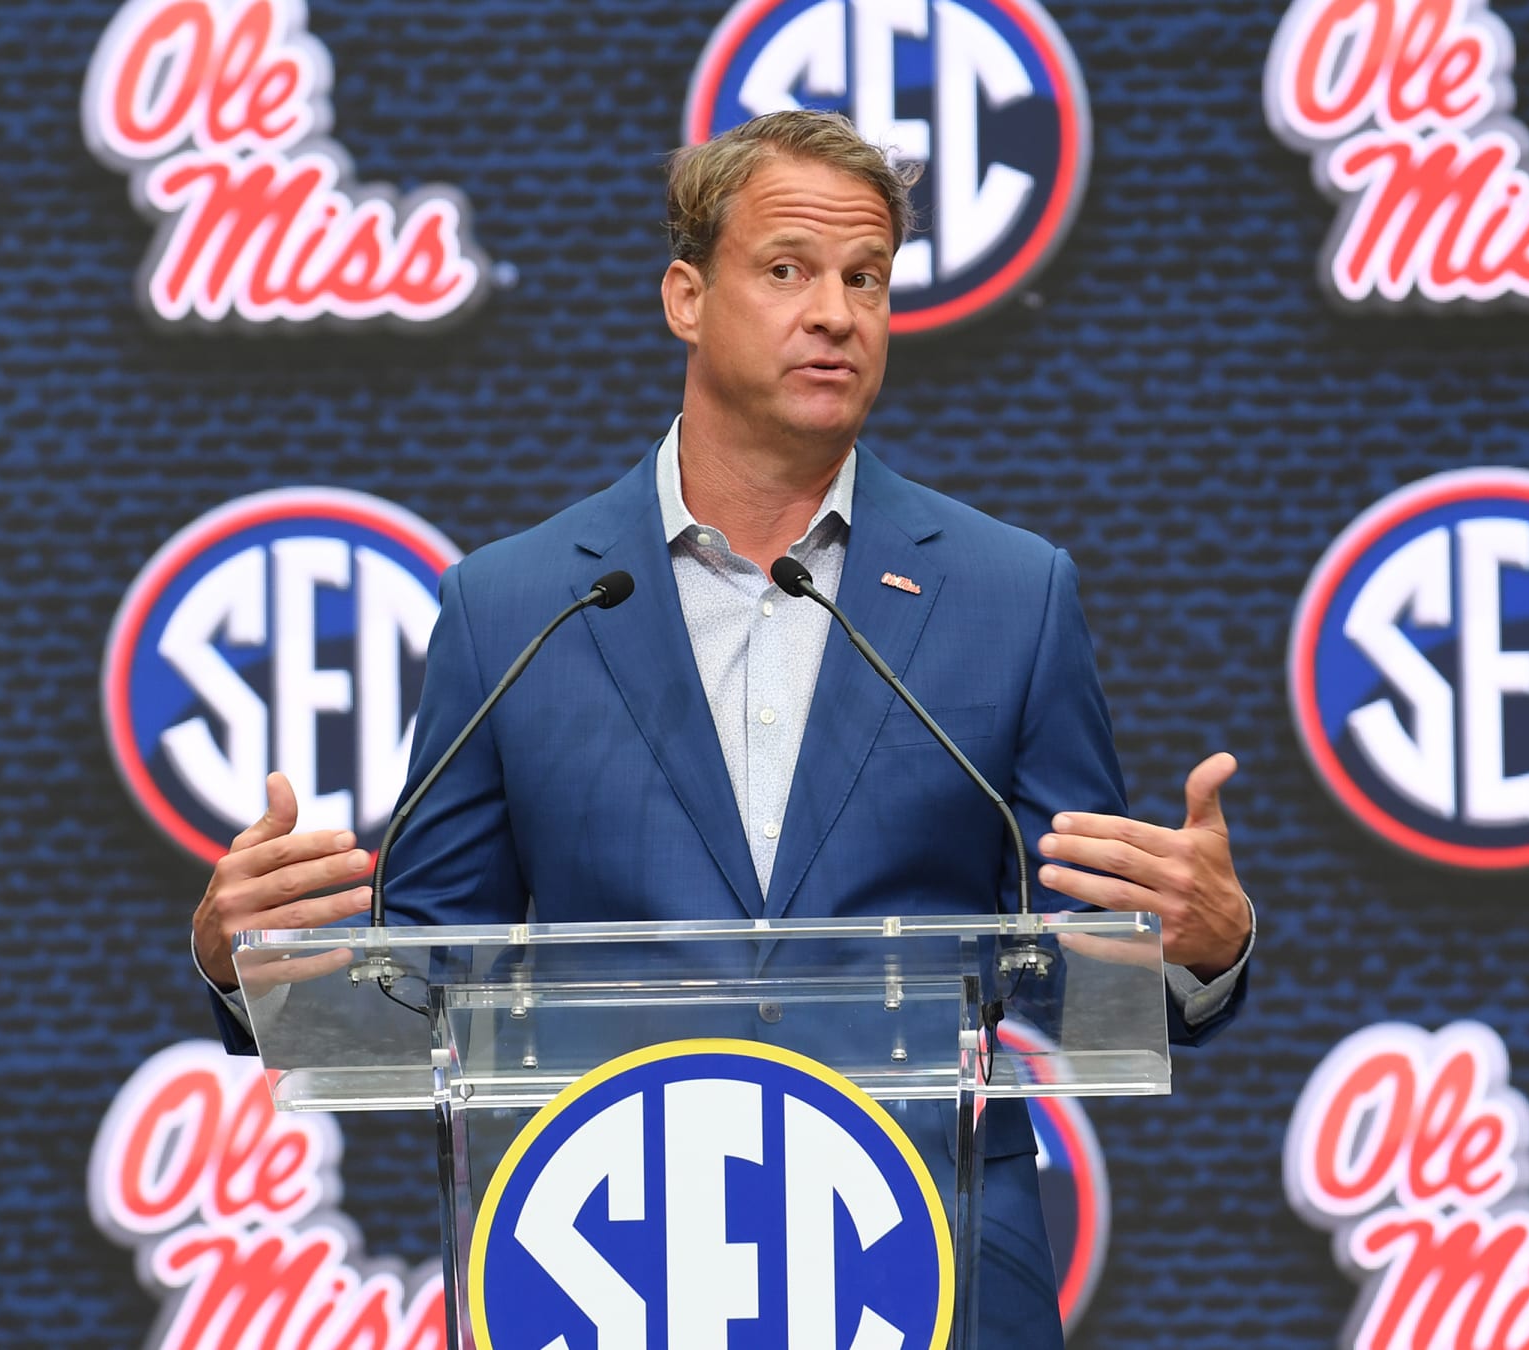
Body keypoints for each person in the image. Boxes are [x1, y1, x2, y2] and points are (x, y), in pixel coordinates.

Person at [193, 110, 1253, 1346]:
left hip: (930, 1258)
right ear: (687, 297)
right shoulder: (518, 604)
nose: (837, 313)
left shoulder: (1011, 595)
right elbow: (427, 983)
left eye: (867, 278)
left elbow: (1076, 975)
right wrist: (248, 963)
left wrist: (1195, 947)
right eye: (789, 269)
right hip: (606, 1269)